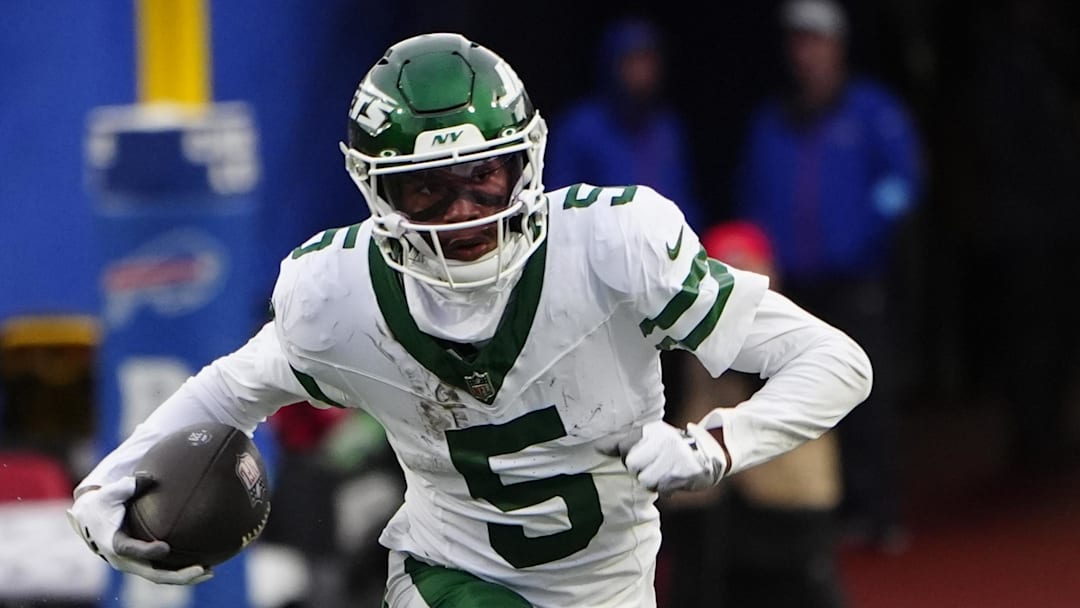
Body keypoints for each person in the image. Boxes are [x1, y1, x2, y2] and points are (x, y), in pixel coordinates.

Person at [66, 33, 872, 607]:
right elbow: (231, 390)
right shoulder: (338, 294)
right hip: (450, 576)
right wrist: (111, 480)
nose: (463, 211)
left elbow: (836, 362)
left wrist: (718, 444)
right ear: (378, 191)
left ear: (526, 160)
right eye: (428, 186)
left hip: (606, 589)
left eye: (485, 176)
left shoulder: (613, 247)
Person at [735, 0, 923, 552]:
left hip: (854, 280)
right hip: (793, 287)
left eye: (816, 41)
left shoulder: (872, 110)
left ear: (837, 47)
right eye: (798, 41)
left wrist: (871, 224)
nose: (807, 52)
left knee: (867, 394)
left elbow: (904, 179)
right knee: (797, 398)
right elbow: (752, 193)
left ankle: (878, 509)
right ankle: (812, 514)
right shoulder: (772, 118)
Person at [661, 221, 847, 608]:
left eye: (749, 272)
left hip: (785, 499)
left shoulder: (803, 334)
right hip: (709, 502)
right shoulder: (675, 338)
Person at [544, 17, 705, 232]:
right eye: (632, 61)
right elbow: (559, 209)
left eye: (648, 60)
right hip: (598, 252)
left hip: (663, 251)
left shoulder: (668, 128)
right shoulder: (579, 128)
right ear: (611, 64)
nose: (641, 72)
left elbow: (684, 203)